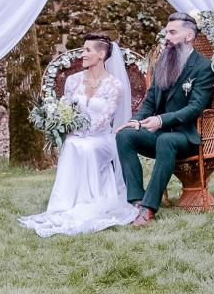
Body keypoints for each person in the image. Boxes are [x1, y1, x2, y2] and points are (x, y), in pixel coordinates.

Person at [20, 35, 140, 237]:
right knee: (74, 144)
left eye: (87, 50)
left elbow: (105, 118)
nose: (82, 54)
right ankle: (65, 203)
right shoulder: (72, 80)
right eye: (83, 50)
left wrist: (82, 131)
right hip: (76, 134)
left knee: (85, 146)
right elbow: (65, 108)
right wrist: (65, 127)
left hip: (101, 138)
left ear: (101, 55)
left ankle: (91, 199)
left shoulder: (114, 86)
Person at [116, 13, 214, 226]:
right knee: (125, 135)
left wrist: (161, 121)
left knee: (166, 140)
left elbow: (194, 108)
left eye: (172, 32)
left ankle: (148, 208)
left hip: (186, 137)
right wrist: (137, 120)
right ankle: (135, 201)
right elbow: (150, 101)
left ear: (189, 35)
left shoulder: (203, 68)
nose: (167, 37)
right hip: (160, 135)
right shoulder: (164, 61)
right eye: (166, 32)